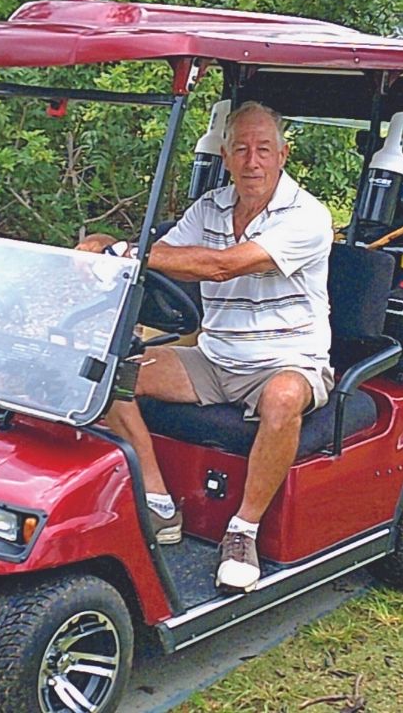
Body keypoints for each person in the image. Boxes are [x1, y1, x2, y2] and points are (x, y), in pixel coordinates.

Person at [79, 101, 334, 592]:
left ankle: (243, 531)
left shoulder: (306, 217)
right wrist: (111, 249)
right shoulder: (210, 207)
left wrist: (130, 252)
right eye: (241, 149)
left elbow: (223, 266)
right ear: (225, 154)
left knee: (282, 399)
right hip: (215, 358)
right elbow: (167, 256)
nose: (252, 161)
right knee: (104, 371)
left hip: (288, 361)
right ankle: (157, 501)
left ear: (283, 154)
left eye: (263, 149)